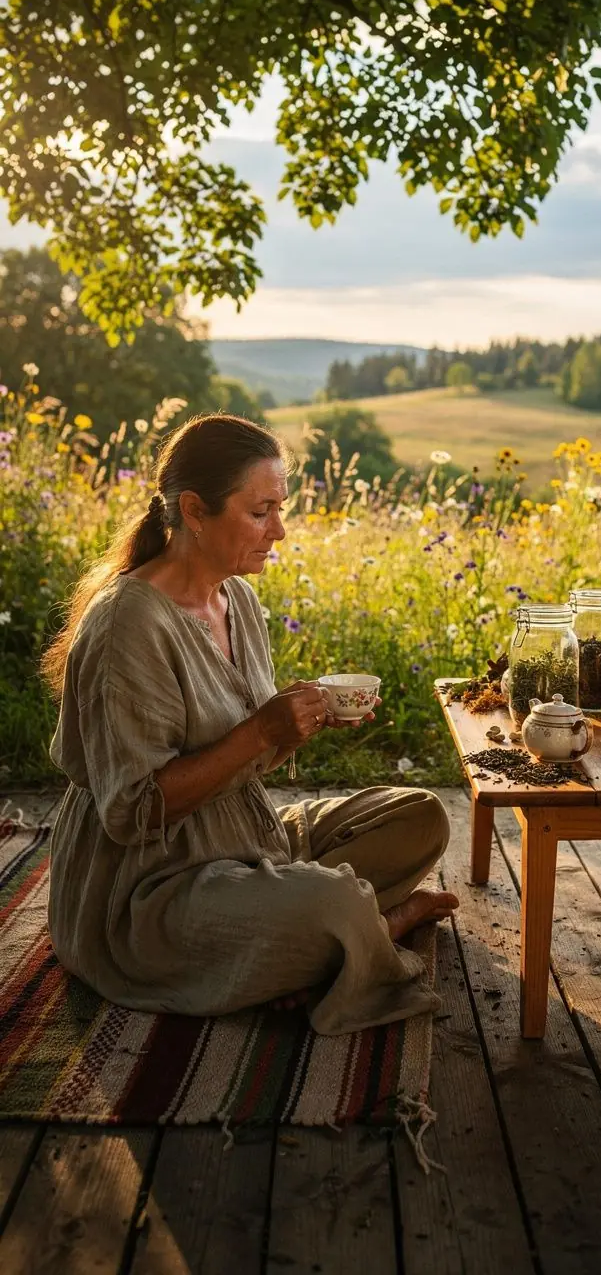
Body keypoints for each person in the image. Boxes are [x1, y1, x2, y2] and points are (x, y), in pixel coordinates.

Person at [42, 414, 458, 1035]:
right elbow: (132, 812)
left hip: (240, 836)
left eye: (279, 510)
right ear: (194, 510)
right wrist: (262, 732)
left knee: (420, 816)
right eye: (261, 511)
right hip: (147, 888)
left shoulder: (236, 598)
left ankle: (311, 944)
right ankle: (374, 929)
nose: (279, 531)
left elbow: (243, 757)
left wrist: (295, 727)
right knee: (332, 904)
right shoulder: (128, 625)